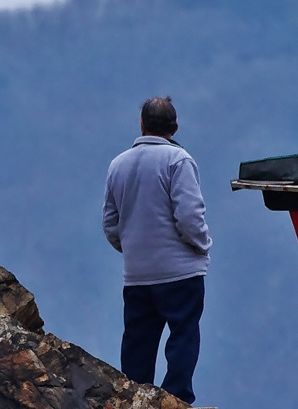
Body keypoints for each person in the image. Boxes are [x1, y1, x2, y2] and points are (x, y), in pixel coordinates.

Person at [103, 96, 212, 405]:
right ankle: (175, 398)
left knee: (138, 340)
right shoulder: (179, 161)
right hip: (180, 272)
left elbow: (110, 223)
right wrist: (202, 247)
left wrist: (132, 250)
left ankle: (134, 398)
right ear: (175, 128)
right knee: (183, 333)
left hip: (137, 274)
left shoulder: (118, 164)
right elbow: (190, 217)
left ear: (142, 124)